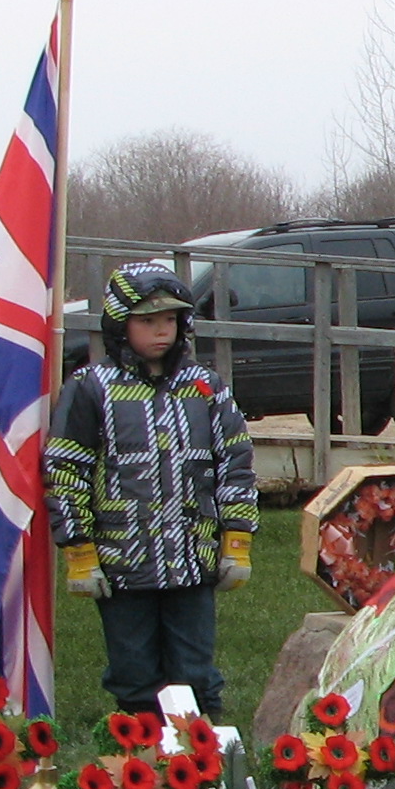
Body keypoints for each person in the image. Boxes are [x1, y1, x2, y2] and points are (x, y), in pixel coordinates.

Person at [46, 260, 256, 716]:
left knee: (195, 669)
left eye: (170, 319)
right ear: (120, 324)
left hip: (192, 559)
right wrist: (78, 550)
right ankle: (139, 746)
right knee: (133, 670)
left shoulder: (206, 388)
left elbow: (236, 464)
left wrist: (237, 540)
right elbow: (66, 470)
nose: (161, 330)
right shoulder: (90, 388)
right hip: (122, 563)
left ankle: (203, 747)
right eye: (147, 321)